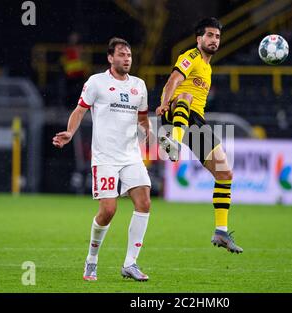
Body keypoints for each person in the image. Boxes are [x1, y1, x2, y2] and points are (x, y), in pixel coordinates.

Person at [53, 37, 152, 281]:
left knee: (144, 202)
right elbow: (80, 110)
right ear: (110, 57)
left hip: (131, 156)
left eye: (129, 55)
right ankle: (91, 260)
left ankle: (130, 263)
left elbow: (142, 119)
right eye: (121, 54)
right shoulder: (96, 82)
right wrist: (70, 132)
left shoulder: (139, 85)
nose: (126, 59)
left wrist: (148, 133)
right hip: (105, 157)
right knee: (108, 210)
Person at [155, 17, 243, 254]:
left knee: (225, 173)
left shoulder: (207, 66)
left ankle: (221, 232)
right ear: (199, 38)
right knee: (187, 97)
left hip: (195, 122)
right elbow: (174, 80)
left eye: (217, 36)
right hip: (175, 113)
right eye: (210, 35)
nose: (214, 40)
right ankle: (172, 141)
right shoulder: (191, 56)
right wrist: (164, 104)